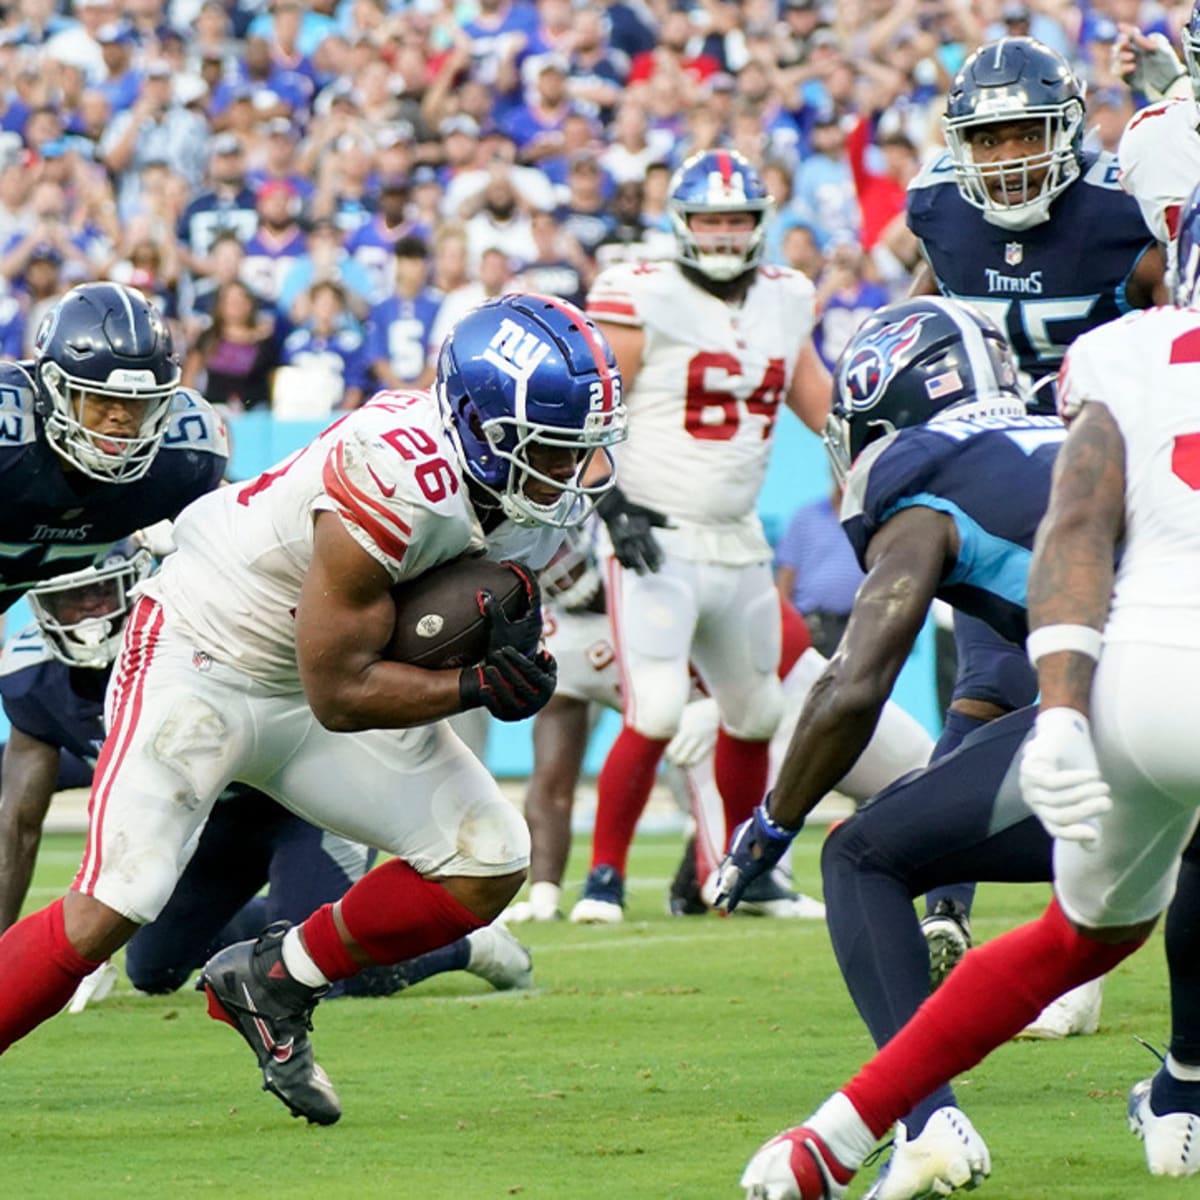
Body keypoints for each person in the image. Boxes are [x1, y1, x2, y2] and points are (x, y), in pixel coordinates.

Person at [0, 293, 626, 1127]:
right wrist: (474, 689)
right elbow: (341, 691)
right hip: (204, 655)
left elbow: (379, 655)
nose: (567, 472)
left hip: (307, 681)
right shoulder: (397, 473)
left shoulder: (515, 502)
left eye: (574, 449)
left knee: (489, 860)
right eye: (548, 449)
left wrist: (506, 666)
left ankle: (271, 979)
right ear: (481, 426)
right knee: (119, 897)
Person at [734, 184, 1200, 1200]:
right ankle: (1185, 1098)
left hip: (1141, 685)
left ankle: (918, 1120)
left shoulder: (932, 470)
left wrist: (770, 823)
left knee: (862, 854)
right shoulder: (1051, 422)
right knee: (1164, 866)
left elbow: (855, 681)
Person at [904, 35, 1165, 980]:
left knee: (1119, 706)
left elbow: (1175, 321)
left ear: (1064, 129)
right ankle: (942, 899)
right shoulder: (940, 213)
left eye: (1024, 136)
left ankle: (1082, 930)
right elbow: (918, 319)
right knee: (986, 691)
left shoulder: (1117, 217)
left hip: (1114, 499)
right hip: (997, 490)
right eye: (990, 139)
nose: (1008, 159)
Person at [0, 551, 532, 1000]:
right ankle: (278, 923)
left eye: (99, 593)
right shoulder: (33, 681)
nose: (88, 613)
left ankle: (469, 945)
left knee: (323, 974)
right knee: (153, 969)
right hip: (220, 822)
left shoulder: (198, 621)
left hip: (306, 795)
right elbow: (16, 820)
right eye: (70, 600)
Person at [571, 148, 831, 923]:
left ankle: (740, 871)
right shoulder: (640, 292)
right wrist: (606, 498)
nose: (723, 232)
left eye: (737, 219)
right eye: (711, 218)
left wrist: (875, 452)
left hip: (739, 537)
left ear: (760, 224)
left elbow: (817, 403)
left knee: (754, 716)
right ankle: (603, 881)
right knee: (652, 709)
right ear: (682, 223)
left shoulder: (788, 298)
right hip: (654, 531)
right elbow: (588, 405)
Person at [504, 523, 929, 925]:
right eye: (551, 558)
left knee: (926, 775)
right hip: (718, 744)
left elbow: (788, 632)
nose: (562, 570)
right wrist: (544, 892)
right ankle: (740, 881)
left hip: (799, 696)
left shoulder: (666, 575)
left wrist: (716, 707)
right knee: (705, 747)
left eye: (570, 554)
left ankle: (939, 893)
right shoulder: (558, 640)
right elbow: (553, 782)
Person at [0, 280, 226, 607]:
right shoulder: (10, 435)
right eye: (100, 400)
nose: (120, 417)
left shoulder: (181, 459)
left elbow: (241, 549)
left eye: (136, 403)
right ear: (53, 390)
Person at [773, 477, 864, 658]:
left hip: (859, 628)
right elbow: (786, 576)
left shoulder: (870, 520)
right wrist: (786, 629)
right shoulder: (806, 517)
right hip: (812, 627)